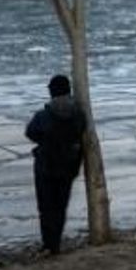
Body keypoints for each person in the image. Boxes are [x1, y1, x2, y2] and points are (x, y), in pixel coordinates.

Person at [25, 74, 88, 255]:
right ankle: (56, 244)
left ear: (52, 92)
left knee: (46, 207)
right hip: (69, 165)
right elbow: (81, 130)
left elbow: (30, 133)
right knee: (60, 207)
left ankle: (48, 245)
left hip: (46, 165)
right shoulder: (79, 114)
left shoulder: (44, 115)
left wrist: (46, 141)